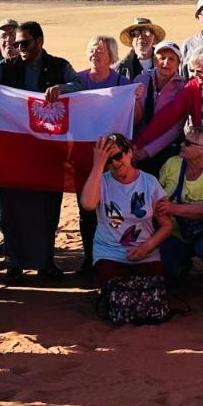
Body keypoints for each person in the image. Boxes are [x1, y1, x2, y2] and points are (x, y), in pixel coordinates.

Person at [0, 21, 78, 282]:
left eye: (25, 43)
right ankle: (15, 262)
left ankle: (45, 261)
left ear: (40, 41)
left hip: (48, 150)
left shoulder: (59, 66)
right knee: (13, 204)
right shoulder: (7, 66)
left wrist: (63, 90)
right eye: (16, 44)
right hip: (14, 149)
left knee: (47, 206)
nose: (19, 48)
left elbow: (80, 85)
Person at [61, 35, 140, 277]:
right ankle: (88, 258)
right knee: (87, 209)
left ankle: (114, 255)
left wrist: (134, 100)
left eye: (101, 51)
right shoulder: (78, 80)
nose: (95, 54)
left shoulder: (122, 83)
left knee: (112, 208)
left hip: (113, 158)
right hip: (83, 155)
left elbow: (135, 119)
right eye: (92, 50)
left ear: (112, 56)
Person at [80, 134, 171, 291]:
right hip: (110, 252)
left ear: (129, 152)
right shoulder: (100, 181)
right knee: (117, 293)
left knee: (151, 292)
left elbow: (166, 225)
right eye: (108, 160)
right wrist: (98, 166)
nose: (114, 163)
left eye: (117, 156)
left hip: (145, 252)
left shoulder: (150, 182)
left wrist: (146, 248)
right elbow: (88, 205)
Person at [155, 126, 203, 292]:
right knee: (166, 269)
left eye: (188, 143)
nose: (182, 144)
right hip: (172, 232)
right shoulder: (172, 164)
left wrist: (173, 208)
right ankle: (182, 266)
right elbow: (155, 194)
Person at [131, 41, 189, 176]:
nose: (166, 62)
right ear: (155, 60)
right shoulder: (140, 80)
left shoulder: (182, 88)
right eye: (162, 58)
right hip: (134, 146)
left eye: (172, 59)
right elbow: (129, 114)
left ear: (178, 64)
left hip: (164, 151)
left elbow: (176, 128)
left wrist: (147, 151)